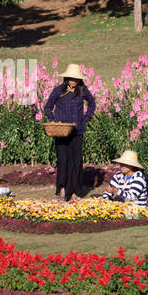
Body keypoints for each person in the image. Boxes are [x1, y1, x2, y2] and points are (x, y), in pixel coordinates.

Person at [41, 63, 96, 201]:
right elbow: (48, 107)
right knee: (63, 161)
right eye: (71, 79)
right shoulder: (58, 90)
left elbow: (92, 103)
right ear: (66, 78)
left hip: (77, 132)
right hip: (61, 133)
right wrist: (53, 121)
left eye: (76, 79)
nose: (73, 82)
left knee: (76, 162)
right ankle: (62, 190)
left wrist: (85, 118)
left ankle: (74, 192)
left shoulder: (83, 90)